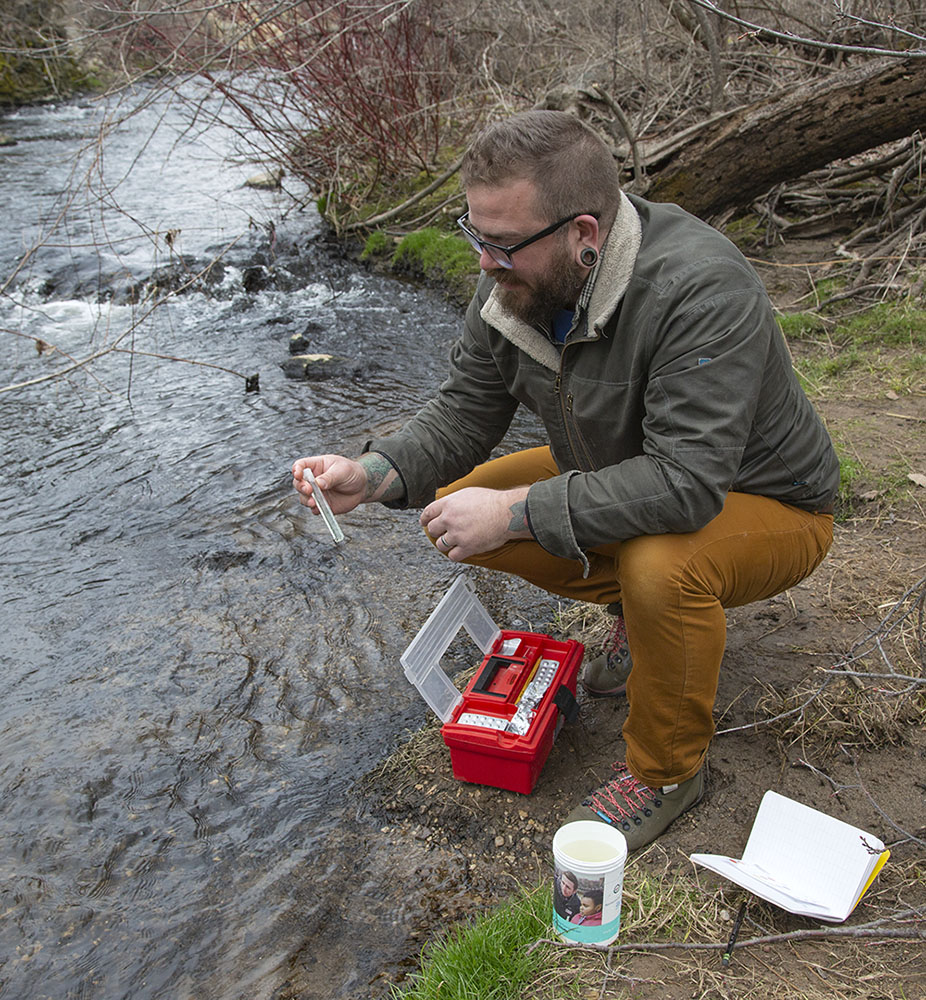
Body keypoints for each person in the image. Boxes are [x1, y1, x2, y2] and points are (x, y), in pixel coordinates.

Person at [292, 110, 839, 851]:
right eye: (473, 234)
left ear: (584, 234)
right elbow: (461, 415)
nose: (483, 261)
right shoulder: (515, 285)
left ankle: (668, 772)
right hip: (623, 470)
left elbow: (686, 484)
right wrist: (377, 471)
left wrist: (518, 511)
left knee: (660, 566)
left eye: (502, 244)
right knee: (456, 511)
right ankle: (640, 624)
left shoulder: (700, 289)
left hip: (767, 501)